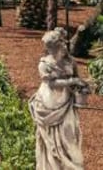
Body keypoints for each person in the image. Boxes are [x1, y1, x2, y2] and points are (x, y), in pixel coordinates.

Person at [29, 27, 89, 170]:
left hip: (66, 104)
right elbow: (51, 83)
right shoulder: (44, 64)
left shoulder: (70, 62)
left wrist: (83, 88)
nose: (64, 46)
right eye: (60, 45)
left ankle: (73, 165)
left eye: (63, 43)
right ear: (52, 48)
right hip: (48, 103)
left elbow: (76, 79)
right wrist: (72, 82)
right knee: (50, 142)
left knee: (70, 137)